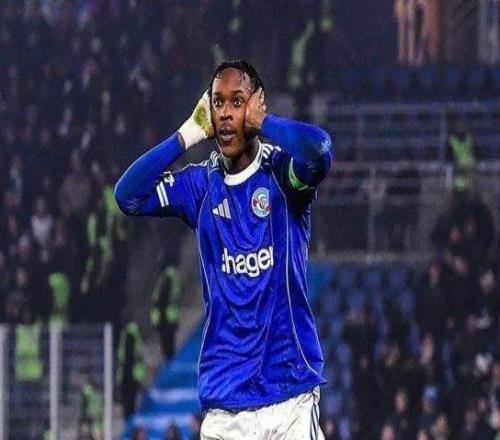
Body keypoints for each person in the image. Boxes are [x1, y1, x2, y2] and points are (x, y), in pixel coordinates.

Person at [115, 60, 333, 438]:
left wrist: (264, 122)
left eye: (237, 101)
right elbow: (127, 196)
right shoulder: (200, 186)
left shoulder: (283, 175)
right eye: (218, 103)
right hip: (226, 405)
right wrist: (186, 135)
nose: (227, 113)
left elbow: (320, 151)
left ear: (256, 104)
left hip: (289, 396)